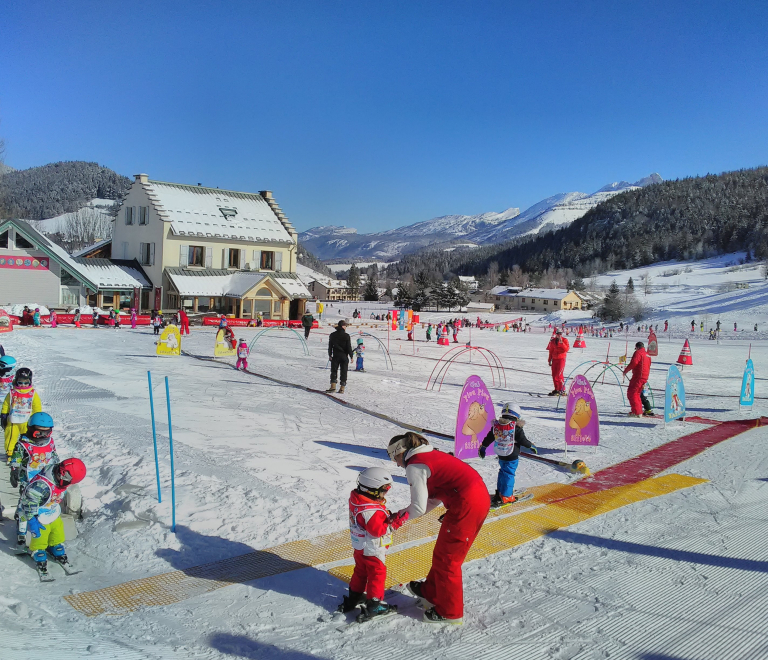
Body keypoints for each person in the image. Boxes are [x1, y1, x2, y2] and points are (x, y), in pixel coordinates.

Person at [388, 432, 489, 624]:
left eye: (393, 458)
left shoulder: (415, 465)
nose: (396, 464)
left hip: (466, 504)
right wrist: (403, 516)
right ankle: (431, 592)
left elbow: (418, 506)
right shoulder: (429, 455)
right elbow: (431, 500)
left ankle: (450, 612)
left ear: (399, 452)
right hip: (474, 498)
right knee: (443, 553)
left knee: (449, 559)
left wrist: (398, 520)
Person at [338, 467, 405, 621]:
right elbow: (377, 531)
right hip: (373, 548)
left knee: (361, 570)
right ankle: (375, 603)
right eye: (384, 490)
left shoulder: (357, 500)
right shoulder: (371, 511)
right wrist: (394, 523)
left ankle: (355, 595)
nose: (386, 493)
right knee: (377, 573)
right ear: (372, 489)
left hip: (359, 545)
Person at [18, 457, 87, 577]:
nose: (68, 485)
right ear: (62, 474)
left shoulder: (58, 474)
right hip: (39, 515)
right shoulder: (40, 485)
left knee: (57, 530)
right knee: (41, 534)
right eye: (68, 482)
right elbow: (28, 502)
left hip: (53, 511)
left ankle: (55, 545)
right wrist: (32, 520)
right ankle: (38, 551)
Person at [9, 412, 58, 544]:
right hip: (28, 480)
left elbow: (53, 455)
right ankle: (21, 530)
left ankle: (43, 524)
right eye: (39, 433)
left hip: (45, 480)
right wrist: (14, 470)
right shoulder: (23, 444)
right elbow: (16, 459)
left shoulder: (50, 442)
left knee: (43, 502)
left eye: (46, 433)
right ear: (30, 429)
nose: (42, 436)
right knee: (25, 505)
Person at [478, 402, 537, 508]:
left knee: (502, 471)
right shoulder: (516, 427)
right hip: (512, 454)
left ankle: (500, 491)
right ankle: (506, 496)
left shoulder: (497, 425)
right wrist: (531, 446)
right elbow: (522, 440)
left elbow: (489, 437)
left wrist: (483, 447)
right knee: (509, 473)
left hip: (501, 453)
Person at [2, 368, 43, 462]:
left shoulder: (32, 393)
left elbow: (37, 406)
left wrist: (37, 418)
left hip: (27, 421)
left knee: (27, 438)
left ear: (30, 382)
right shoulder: (12, 393)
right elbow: (6, 404)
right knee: (10, 437)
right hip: (13, 421)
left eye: (26, 383)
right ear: (16, 381)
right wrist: (4, 414)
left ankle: (26, 452)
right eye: (20, 382)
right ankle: (10, 453)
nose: (23, 385)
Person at [624, 341, 653, 417]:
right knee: (637, 393)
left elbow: (634, 363)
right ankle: (638, 410)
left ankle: (636, 412)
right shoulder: (648, 355)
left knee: (632, 393)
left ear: (637, 347)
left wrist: (625, 371)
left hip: (638, 376)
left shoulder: (638, 353)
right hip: (644, 376)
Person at [327, 320, 354, 394]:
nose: (346, 327)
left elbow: (330, 346)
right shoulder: (346, 336)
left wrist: (330, 355)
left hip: (336, 356)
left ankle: (333, 387)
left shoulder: (332, 335)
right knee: (344, 371)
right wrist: (351, 356)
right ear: (342, 326)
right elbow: (349, 347)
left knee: (334, 371)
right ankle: (342, 388)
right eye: (345, 326)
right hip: (344, 356)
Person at [546, 329, 570, 396]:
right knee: (554, 375)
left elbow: (566, 349)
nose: (559, 335)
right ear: (556, 334)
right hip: (554, 359)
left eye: (560, 334)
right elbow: (551, 351)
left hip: (561, 359)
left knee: (559, 375)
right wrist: (549, 359)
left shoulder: (565, 340)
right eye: (558, 334)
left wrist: (561, 343)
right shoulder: (553, 341)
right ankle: (556, 389)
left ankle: (562, 389)